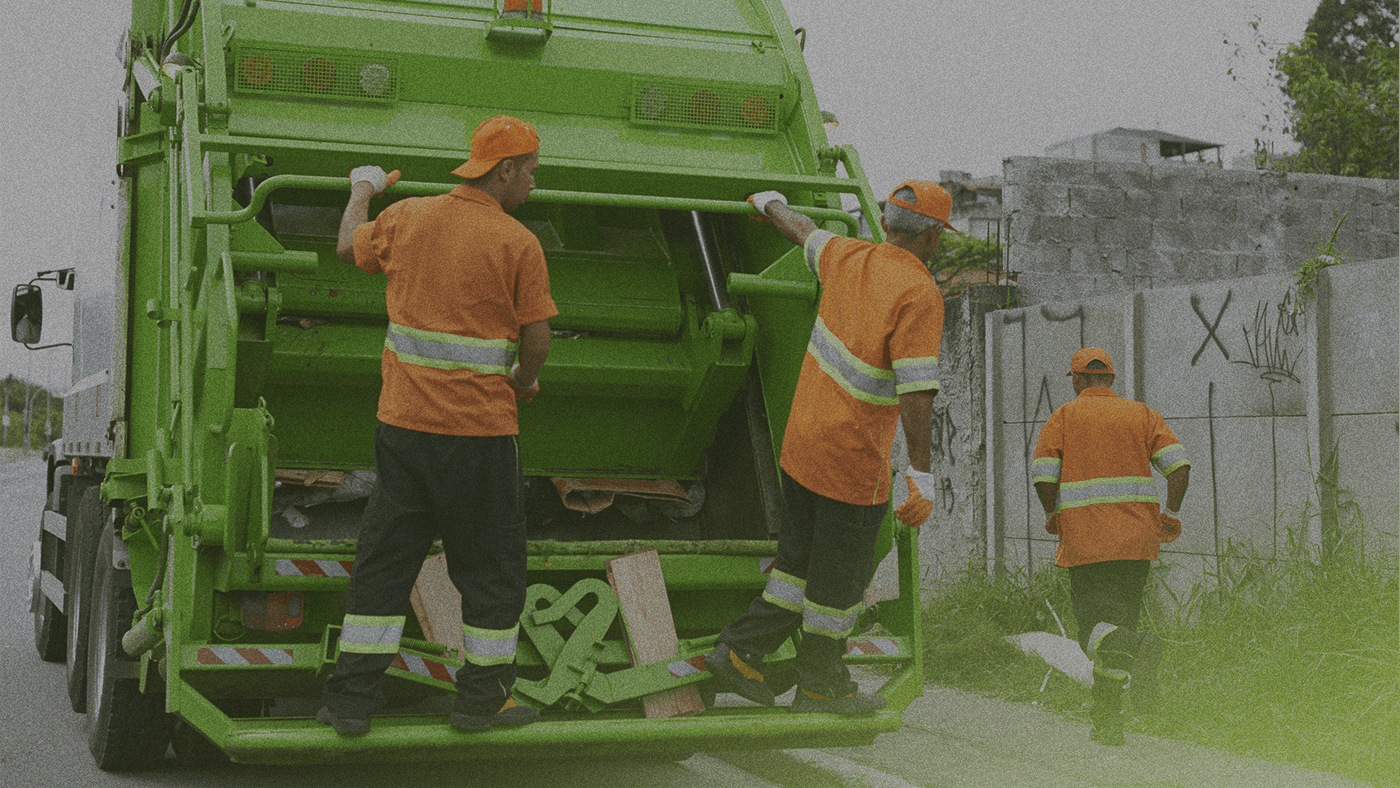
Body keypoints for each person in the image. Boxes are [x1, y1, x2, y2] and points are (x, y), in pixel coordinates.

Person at [317, 115, 556, 735]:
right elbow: (538, 341)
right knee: (491, 569)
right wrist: (524, 385)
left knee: (386, 560)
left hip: (403, 431)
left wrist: (363, 190)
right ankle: (481, 701)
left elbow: (346, 247)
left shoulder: (408, 217)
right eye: (531, 169)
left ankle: (350, 702)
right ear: (505, 169)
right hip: (480, 437)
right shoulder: (518, 243)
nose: (534, 181)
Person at [705, 181, 951, 715]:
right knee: (837, 586)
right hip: (851, 462)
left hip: (801, 447)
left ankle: (741, 651)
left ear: (887, 224)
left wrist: (768, 202)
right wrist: (923, 475)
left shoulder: (847, 256)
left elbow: (804, 231)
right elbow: (916, 393)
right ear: (932, 237)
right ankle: (820, 684)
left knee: (796, 568)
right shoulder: (919, 294)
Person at [1031, 347, 1190, 745]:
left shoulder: (1064, 417)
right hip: (1137, 542)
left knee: (1094, 632)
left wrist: (1053, 512)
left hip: (1087, 541)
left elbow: (1043, 476)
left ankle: (1139, 648)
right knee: (1117, 626)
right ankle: (1108, 721)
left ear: (1078, 380)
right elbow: (1179, 466)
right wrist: (1169, 513)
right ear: (1111, 380)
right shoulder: (1142, 414)